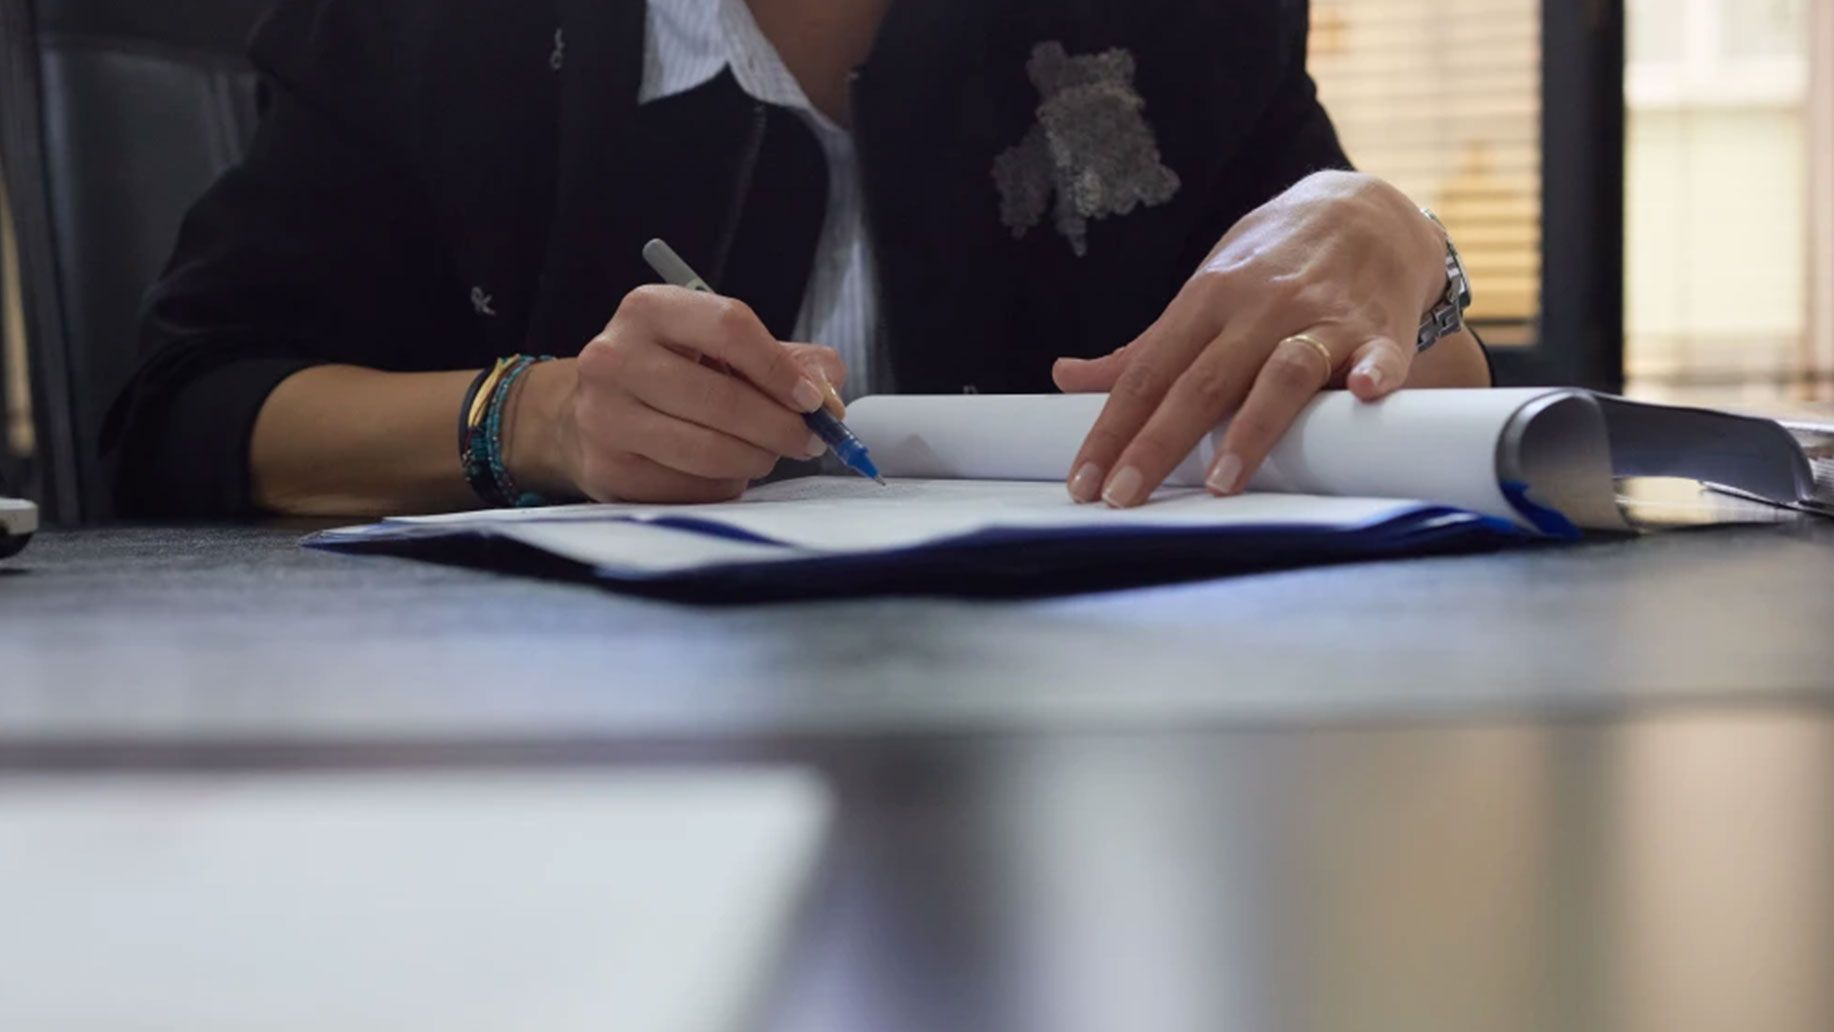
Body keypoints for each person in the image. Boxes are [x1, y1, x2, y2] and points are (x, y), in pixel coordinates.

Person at [104, 0, 1493, 519]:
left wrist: (1402, 249)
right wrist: (532, 418)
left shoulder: (1175, 24)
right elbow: (183, 410)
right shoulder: (433, 31)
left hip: (1070, 747)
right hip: (543, 771)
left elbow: (1414, 396)